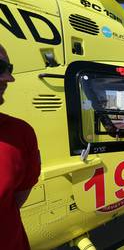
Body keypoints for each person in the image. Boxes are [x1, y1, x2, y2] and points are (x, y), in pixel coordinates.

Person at [0, 44, 41, 249]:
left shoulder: (21, 133)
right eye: (0, 68)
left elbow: (15, 200)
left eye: (9, 69)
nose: (9, 79)